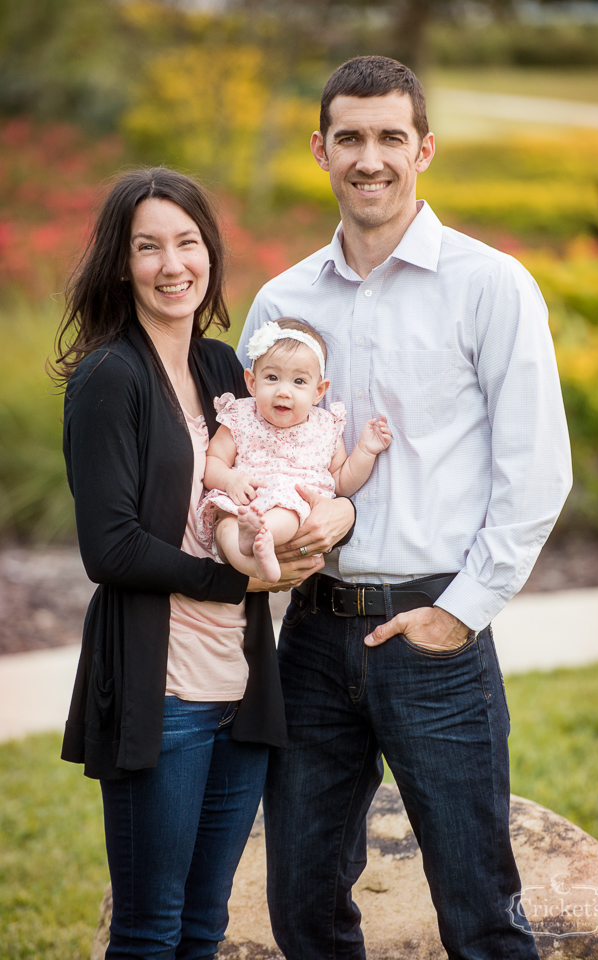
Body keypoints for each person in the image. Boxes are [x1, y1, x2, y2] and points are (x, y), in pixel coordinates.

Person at [238, 56, 572, 959]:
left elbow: (536, 468)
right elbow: (245, 452)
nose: (369, 158)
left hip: (436, 636)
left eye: (390, 136)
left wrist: (460, 613)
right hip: (310, 638)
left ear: (423, 148)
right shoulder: (282, 303)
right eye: (349, 137)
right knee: (303, 907)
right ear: (320, 149)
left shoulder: (488, 284)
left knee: (479, 913)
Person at [52, 167, 355, 959]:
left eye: (187, 242)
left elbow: (306, 456)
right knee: (150, 931)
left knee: (205, 924)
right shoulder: (108, 379)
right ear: (121, 263)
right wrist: (237, 579)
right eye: (147, 246)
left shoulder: (229, 372)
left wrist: (340, 510)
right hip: (163, 692)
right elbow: (108, 547)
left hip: (242, 688)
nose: (171, 263)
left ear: (210, 255)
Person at [197, 318, 391, 583]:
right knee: (225, 529)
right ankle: (253, 562)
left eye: (299, 381)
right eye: (272, 378)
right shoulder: (241, 416)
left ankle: (262, 537)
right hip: (241, 505)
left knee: (288, 514)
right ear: (252, 383)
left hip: (289, 504)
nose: (284, 392)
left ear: (318, 391)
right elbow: (214, 460)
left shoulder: (325, 427)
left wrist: (366, 451)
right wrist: (230, 480)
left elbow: (341, 481)